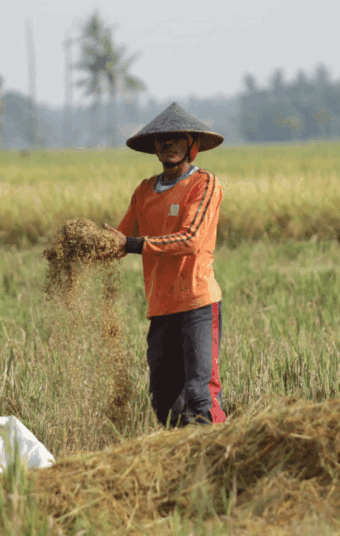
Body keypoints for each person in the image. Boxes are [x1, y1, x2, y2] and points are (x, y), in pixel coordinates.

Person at [104, 102, 226, 427]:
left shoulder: (204, 185)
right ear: (154, 148)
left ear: (192, 146)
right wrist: (92, 243)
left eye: (175, 138)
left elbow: (192, 239)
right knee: (163, 397)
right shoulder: (144, 190)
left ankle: (216, 461)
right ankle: (182, 463)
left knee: (201, 394)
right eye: (162, 140)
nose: (168, 144)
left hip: (197, 303)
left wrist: (131, 245)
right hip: (160, 307)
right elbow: (119, 238)